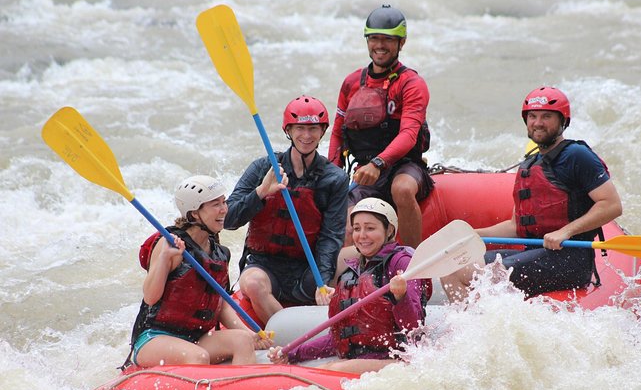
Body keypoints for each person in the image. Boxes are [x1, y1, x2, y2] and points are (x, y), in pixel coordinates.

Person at [476, 86, 623, 295]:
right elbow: (515, 226)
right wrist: (474, 235)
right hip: (536, 254)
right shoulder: (529, 164)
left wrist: (566, 231)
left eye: (546, 116)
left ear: (563, 121)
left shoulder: (577, 155)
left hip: (570, 259)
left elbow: (612, 205)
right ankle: (465, 324)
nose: (537, 122)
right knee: (455, 267)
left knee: (493, 273)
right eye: (533, 116)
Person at [224, 95, 349, 325]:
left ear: (323, 132)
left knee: (346, 265)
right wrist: (261, 192)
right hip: (264, 263)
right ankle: (287, 336)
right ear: (288, 131)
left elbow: (331, 237)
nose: (307, 136)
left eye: (313, 129)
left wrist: (321, 281)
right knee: (251, 282)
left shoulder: (335, 178)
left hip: (307, 265)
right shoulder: (263, 168)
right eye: (300, 128)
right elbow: (228, 219)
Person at [124, 176, 271, 369]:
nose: (224, 209)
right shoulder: (170, 244)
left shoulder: (219, 252)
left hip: (196, 338)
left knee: (243, 340)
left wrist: (251, 333)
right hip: (155, 337)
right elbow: (150, 297)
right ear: (194, 214)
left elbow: (222, 305)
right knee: (198, 357)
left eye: (224, 202)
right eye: (215, 204)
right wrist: (163, 259)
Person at [268, 198, 429, 374]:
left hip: (400, 360)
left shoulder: (402, 263)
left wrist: (401, 297)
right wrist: (291, 354)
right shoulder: (352, 272)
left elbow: (414, 327)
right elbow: (339, 339)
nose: (362, 236)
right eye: (357, 229)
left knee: (332, 369)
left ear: (389, 230)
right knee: (327, 368)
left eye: (370, 228)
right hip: (362, 360)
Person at [328, 4, 433, 249]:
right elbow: (337, 132)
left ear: (402, 42)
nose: (379, 45)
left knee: (403, 189)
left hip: (405, 166)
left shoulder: (412, 84)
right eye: (374, 38)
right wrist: (333, 174)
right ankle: (353, 280)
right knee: (347, 223)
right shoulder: (352, 82)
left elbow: (409, 134)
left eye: (388, 39)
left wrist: (378, 163)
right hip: (365, 172)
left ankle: (410, 265)